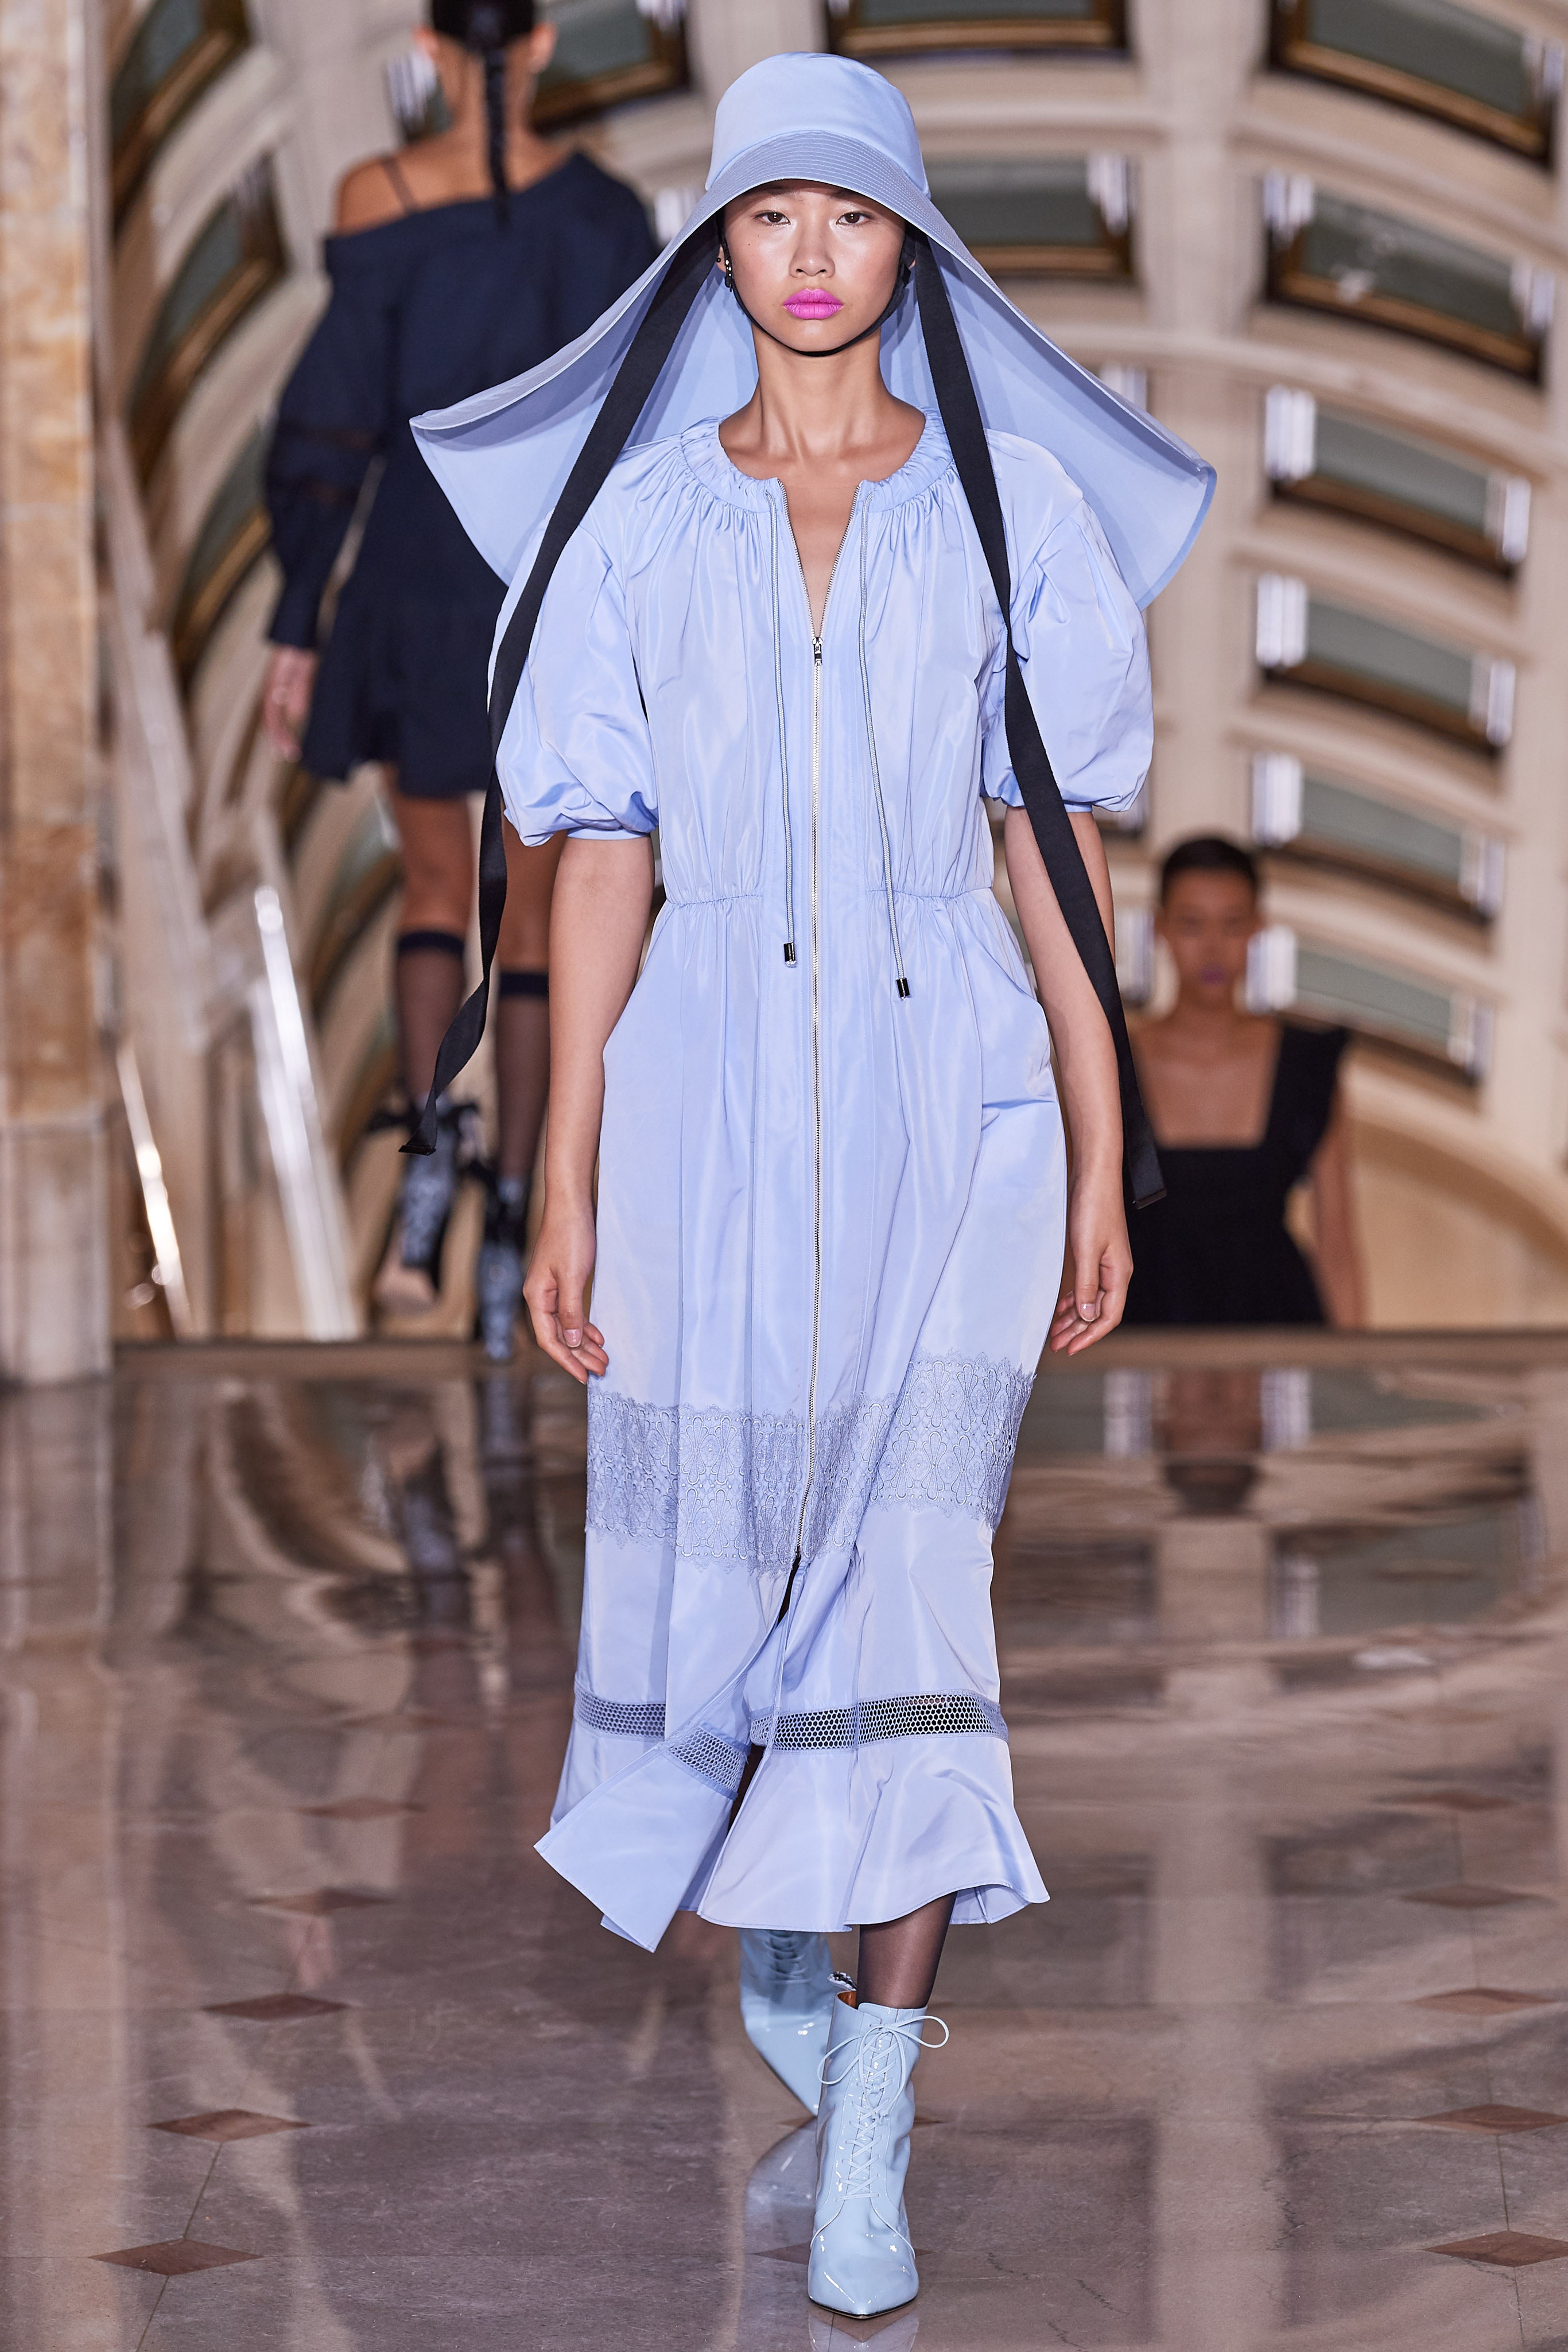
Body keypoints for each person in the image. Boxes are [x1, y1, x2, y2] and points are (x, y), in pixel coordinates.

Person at [409, 52, 1213, 2320]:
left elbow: (1046, 844)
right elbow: (596, 862)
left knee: (913, 1585)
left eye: (850, 217)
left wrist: (1097, 1129)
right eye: (770, 215)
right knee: (737, 1566)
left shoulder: (1005, 515)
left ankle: (872, 2107)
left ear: (908, 246)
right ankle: (785, 1907)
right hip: (703, 1106)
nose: (812, 257)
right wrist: (563, 1170)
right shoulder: (641, 527)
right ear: (722, 251)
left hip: (959, 1105)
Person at [259, 0, 654, 1358]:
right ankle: (516, 1210)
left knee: (436, 888)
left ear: (427, 49)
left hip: (414, 586)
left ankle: (427, 1168)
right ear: (540, 42)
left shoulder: (376, 195)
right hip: (543, 597)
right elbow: (634, 429)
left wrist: (297, 621)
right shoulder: (605, 216)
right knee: (530, 924)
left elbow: (331, 420)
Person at [1125, 834, 1364, 1326]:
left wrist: (1354, 1365)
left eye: (1232, 924)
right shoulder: (1111, 1064)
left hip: (1279, 1327)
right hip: (1143, 1329)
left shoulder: (1307, 1065)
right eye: (1192, 924)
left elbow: (1337, 1242)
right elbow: (1074, 1232)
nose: (1213, 948)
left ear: (1258, 926)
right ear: (1159, 927)